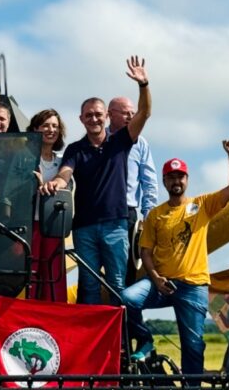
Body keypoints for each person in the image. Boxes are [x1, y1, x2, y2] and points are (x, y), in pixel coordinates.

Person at [123, 140, 229, 378]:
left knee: (193, 345)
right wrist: (155, 278)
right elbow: (145, 252)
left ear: (187, 180)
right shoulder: (156, 214)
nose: (176, 181)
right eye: (171, 177)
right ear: (164, 181)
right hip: (161, 282)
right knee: (127, 299)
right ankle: (145, 341)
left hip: (193, 285)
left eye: (180, 177)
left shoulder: (202, 205)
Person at [40, 56, 151, 306]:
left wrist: (144, 85)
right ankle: (90, 343)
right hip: (84, 228)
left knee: (118, 286)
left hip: (116, 225)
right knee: (88, 287)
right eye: (88, 115)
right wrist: (55, 184)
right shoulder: (76, 149)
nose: (94, 119)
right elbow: (65, 173)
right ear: (81, 119)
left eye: (98, 114)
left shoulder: (121, 141)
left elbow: (145, 113)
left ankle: (119, 342)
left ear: (106, 117)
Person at [26, 109, 69, 301]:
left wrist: (44, 184)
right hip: (29, 223)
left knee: (53, 276)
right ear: (35, 128)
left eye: (55, 126)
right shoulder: (25, 158)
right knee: (31, 274)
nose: (50, 130)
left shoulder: (63, 164)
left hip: (53, 225)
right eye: (45, 125)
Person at [107, 96, 158, 227]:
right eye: (125, 113)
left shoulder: (140, 143)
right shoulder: (99, 139)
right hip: (98, 209)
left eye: (132, 113)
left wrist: (149, 214)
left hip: (126, 212)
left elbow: (149, 180)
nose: (130, 117)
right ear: (110, 114)